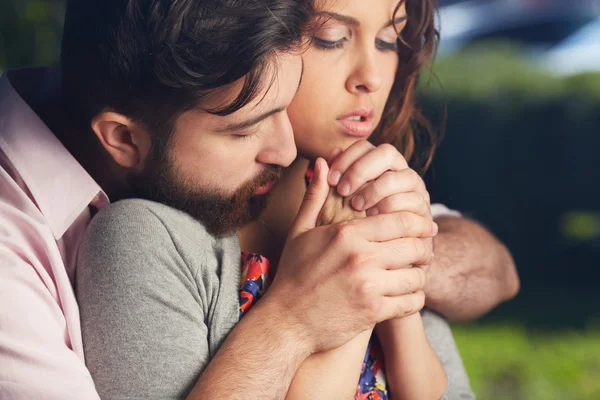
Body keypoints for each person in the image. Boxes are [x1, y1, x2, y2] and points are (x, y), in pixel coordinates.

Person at [235, 0, 518, 398]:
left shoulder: (373, 197)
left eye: (389, 41)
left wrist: (393, 253)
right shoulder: (182, 241)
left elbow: (502, 275)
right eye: (328, 39)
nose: (371, 77)